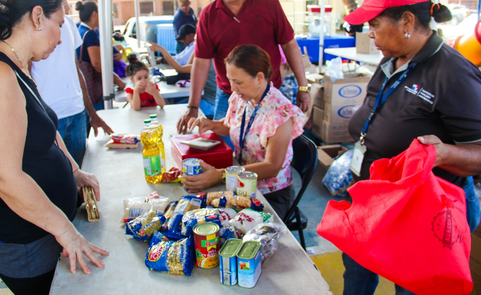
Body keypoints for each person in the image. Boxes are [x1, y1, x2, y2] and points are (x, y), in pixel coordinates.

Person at [0, 1, 109, 294]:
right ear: (37, 16)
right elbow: (0, 176)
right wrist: (66, 231)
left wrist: (74, 170)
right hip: (26, 245)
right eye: (60, 25)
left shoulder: (17, 68)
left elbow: (45, 128)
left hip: (44, 234)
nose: (62, 38)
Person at [343, 0, 481, 294]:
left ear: (406, 22)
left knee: (411, 285)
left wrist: (444, 153)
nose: (369, 33)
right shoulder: (390, 59)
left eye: (374, 24)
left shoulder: (454, 75)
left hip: (419, 212)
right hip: (372, 198)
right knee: (356, 274)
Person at [184, 45, 306, 219]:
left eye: (238, 82)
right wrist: (211, 124)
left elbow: (272, 167)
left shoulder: (280, 112)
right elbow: (232, 127)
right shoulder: (242, 98)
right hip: (239, 183)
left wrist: (220, 175)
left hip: (269, 194)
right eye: (230, 80)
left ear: (259, 78)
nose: (232, 88)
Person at [176, 0, 311, 134]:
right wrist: (193, 107)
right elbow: (201, 62)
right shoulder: (208, 15)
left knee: (265, 146)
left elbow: (289, 44)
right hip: (229, 96)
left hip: (268, 95)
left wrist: (303, 86)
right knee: (221, 148)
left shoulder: (269, 4)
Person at [31, 0, 113, 167]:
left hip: (77, 113)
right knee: (56, 177)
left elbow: (76, 70)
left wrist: (91, 113)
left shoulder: (68, 24)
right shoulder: (31, 29)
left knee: (81, 173)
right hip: (50, 117)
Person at [75, 1, 125, 131]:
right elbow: (97, 64)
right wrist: (117, 80)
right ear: (94, 14)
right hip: (94, 88)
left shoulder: (80, 29)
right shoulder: (90, 34)